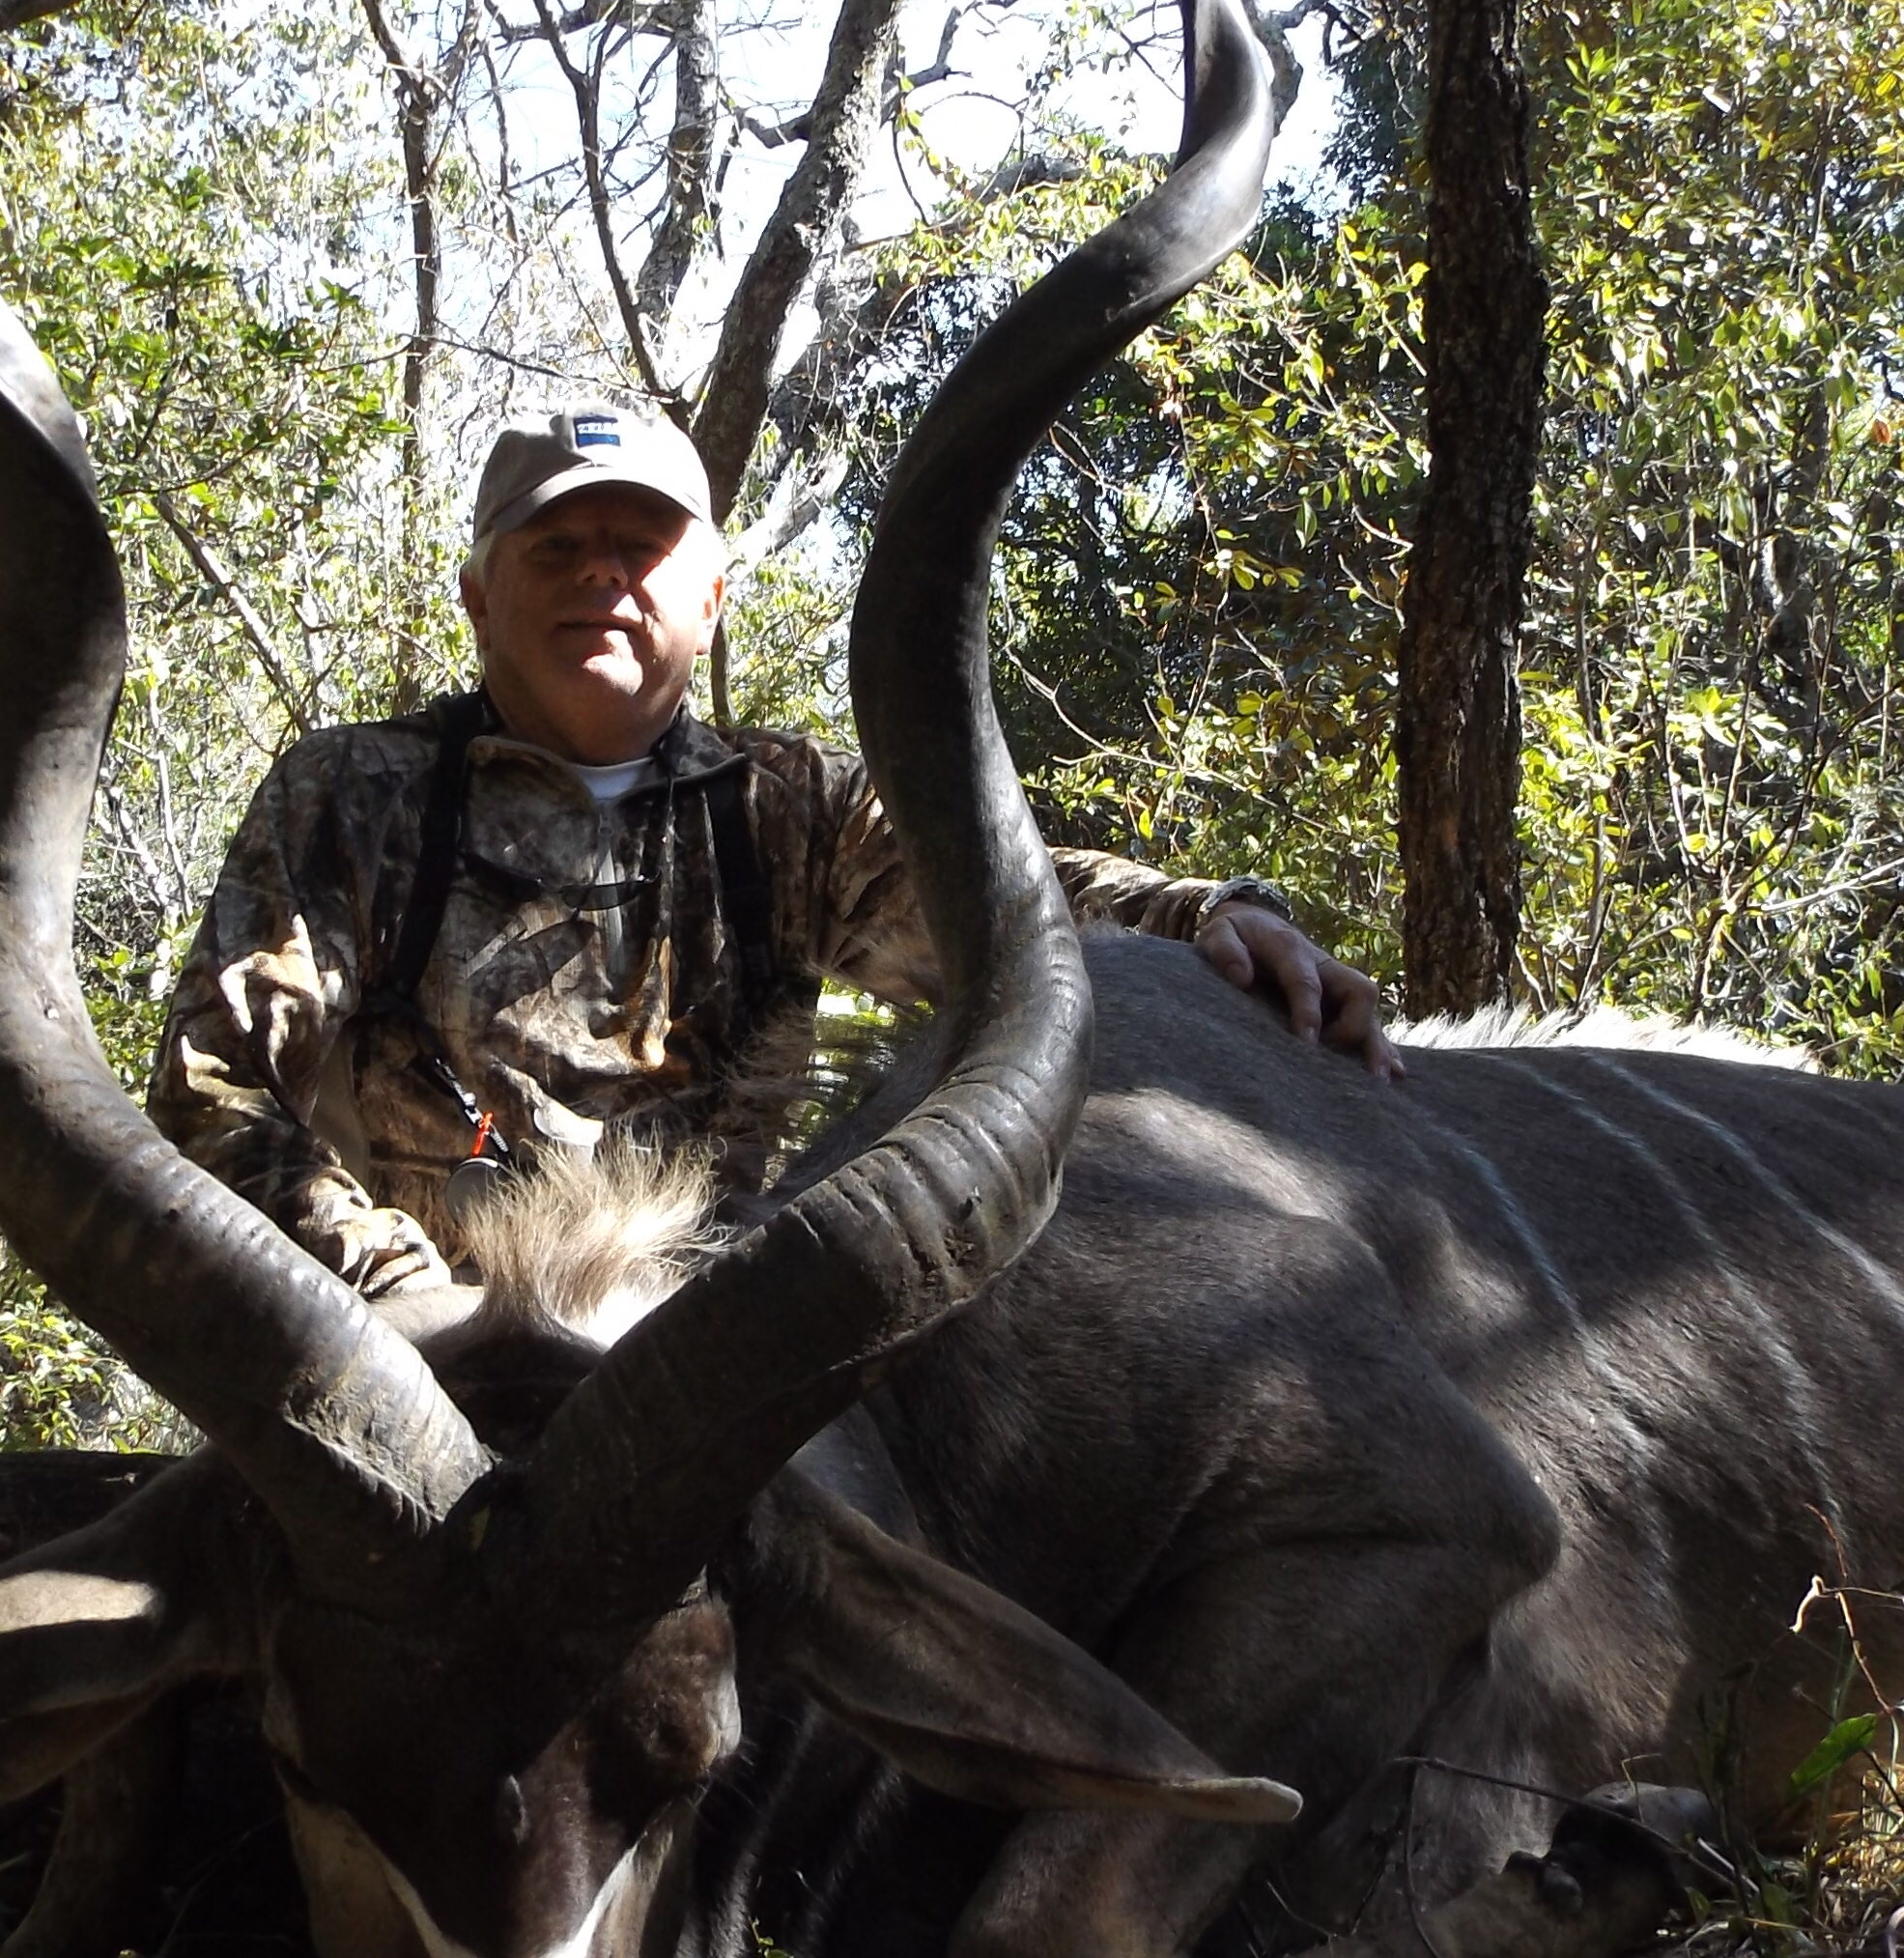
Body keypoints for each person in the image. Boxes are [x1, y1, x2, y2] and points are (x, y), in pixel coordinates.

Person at [153, 400, 1399, 1295]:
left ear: (708, 597)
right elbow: (215, 1088)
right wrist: (389, 1292)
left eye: (641, 549)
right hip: (423, 1355)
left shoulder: (786, 806)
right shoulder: (357, 795)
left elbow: (1011, 903)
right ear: (479, 594)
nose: (602, 577)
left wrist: (1202, 920)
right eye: (555, 549)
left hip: (710, 1365)